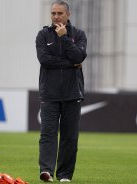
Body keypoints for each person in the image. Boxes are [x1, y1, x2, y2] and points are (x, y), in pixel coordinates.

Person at [35, 0, 87, 182]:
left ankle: (64, 175)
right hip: (49, 94)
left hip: (72, 94)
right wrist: (71, 64)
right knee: (47, 134)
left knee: (69, 137)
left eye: (60, 13)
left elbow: (79, 56)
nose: (56, 17)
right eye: (53, 13)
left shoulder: (79, 35)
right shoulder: (43, 35)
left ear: (68, 15)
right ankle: (46, 171)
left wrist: (64, 38)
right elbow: (45, 61)